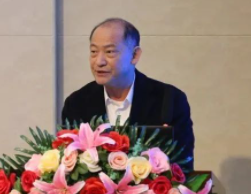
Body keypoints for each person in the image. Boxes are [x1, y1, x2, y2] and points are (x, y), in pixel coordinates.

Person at [61, 18, 195, 170]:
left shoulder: (169, 100)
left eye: (109, 52)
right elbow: (69, 166)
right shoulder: (77, 103)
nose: (99, 61)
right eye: (93, 52)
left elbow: (183, 166)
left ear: (134, 55)